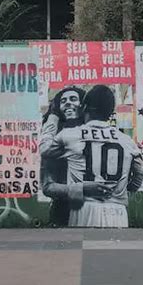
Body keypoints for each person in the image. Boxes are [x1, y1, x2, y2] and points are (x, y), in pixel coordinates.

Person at [44, 84, 143, 227]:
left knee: (83, 247)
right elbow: (139, 175)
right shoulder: (128, 142)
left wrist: (53, 116)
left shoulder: (70, 136)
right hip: (118, 212)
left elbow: (45, 146)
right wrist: (122, 189)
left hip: (83, 207)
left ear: (84, 108)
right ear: (110, 112)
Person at [39, 86, 86, 226]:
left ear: (83, 106)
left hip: (93, 209)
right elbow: (47, 186)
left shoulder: (94, 133)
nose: (68, 103)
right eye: (63, 101)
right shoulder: (54, 143)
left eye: (73, 99)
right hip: (62, 210)